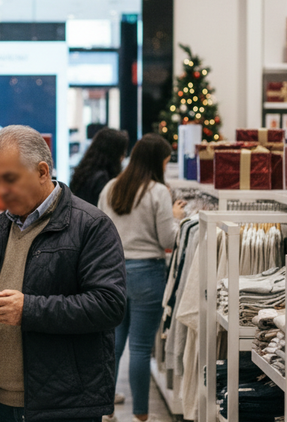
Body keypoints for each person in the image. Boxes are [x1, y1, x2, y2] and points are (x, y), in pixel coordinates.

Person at [0, 125, 126, 422]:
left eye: (10, 179)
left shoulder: (91, 226)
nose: (1, 189)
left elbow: (109, 305)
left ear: (43, 171)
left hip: (65, 404)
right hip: (1, 400)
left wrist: (29, 309)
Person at [97, 133, 186, 422]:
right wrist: (177, 218)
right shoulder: (158, 191)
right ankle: (141, 414)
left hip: (111, 272)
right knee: (139, 347)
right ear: (158, 161)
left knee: (114, 343)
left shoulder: (111, 187)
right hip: (147, 273)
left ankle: (106, 408)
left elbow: (99, 232)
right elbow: (166, 239)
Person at [70, 128, 129, 207]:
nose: (123, 157)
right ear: (114, 153)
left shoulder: (83, 171)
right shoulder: (102, 179)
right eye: (122, 152)